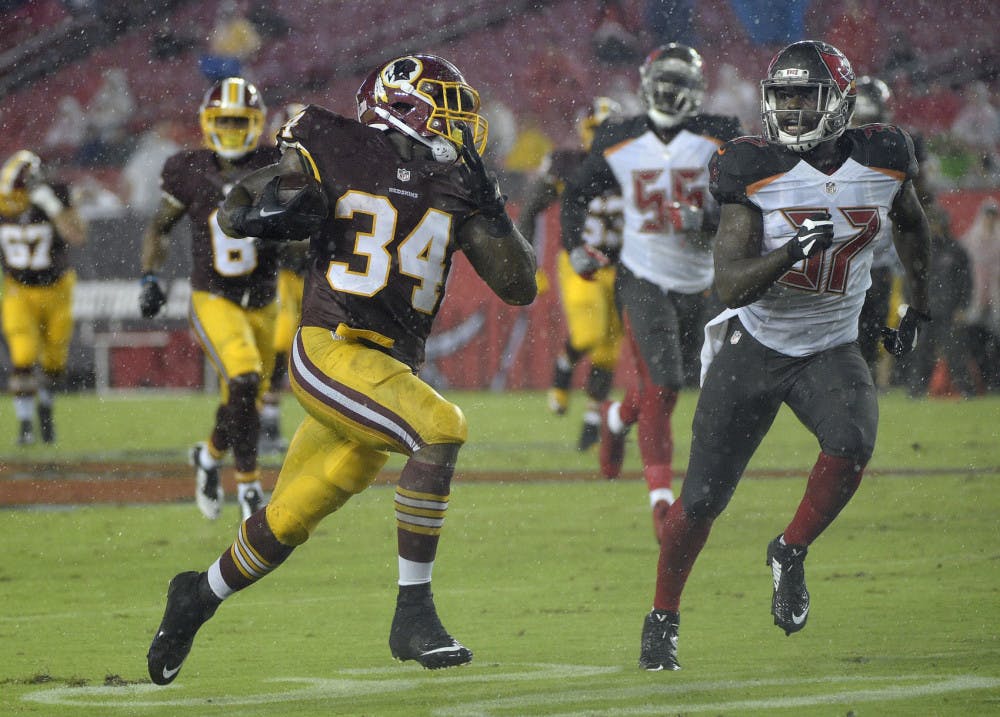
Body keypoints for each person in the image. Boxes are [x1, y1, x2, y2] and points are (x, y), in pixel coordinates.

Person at [146, 53, 536, 684]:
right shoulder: (332, 140)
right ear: (403, 108)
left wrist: (493, 206)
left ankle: (196, 596)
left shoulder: (457, 183)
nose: (463, 126)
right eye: (450, 109)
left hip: (384, 370)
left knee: (290, 518)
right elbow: (239, 200)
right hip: (330, 347)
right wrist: (272, 209)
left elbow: (519, 287)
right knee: (440, 428)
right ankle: (414, 614)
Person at [638, 40, 931, 671]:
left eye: (807, 98)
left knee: (853, 441)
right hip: (758, 343)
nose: (793, 112)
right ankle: (663, 615)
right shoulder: (750, 164)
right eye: (784, 99)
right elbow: (732, 284)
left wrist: (921, 307)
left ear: (841, 103)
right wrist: (791, 252)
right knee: (702, 501)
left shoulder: (885, 155)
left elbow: (912, 223)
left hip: (830, 345)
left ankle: (789, 551)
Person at [561, 44, 741, 540]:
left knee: (676, 386)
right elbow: (577, 191)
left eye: (679, 81)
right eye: (664, 79)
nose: (669, 89)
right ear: (644, 82)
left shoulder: (721, 134)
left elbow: (751, 199)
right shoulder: (618, 136)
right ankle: (662, 501)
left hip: (701, 281)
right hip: (641, 276)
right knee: (662, 386)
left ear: (697, 90)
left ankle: (619, 416)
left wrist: (706, 218)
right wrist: (574, 244)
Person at [138, 77, 278, 523]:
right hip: (214, 295)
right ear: (207, 123)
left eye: (241, 120)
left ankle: (209, 456)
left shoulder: (276, 164)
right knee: (245, 378)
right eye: (225, 121)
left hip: (264, 299)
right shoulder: (189, 170)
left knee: (245, 399)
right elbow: (159, 227)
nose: (234, 129)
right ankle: (251, 487)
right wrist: (150, 276)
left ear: (256, 123)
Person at [518, 97, 624, 451]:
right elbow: (530, 208)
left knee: (609, 349)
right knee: (590, 335)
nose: (604, 138)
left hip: (621, 265)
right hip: (580, 262)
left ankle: (593, 416)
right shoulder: (567, 163)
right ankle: (564, 367)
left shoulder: (635, 164)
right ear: (584, 131)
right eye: (598, 130)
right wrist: (529, 264)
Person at [0, 150, 87, 445]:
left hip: (57, 290)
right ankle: (25, 425)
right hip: (19, 291)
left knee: (53, 364)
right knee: (22, 357)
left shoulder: (56, 196)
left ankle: (45, 410)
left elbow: (77, 236)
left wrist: (53, 208)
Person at [259, 102, 307, 455]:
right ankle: (267, 421)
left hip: (319, 272)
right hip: (283, 273)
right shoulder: (269, 176)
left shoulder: (330, 172)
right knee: (279, 343)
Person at [850, 76, 903, 380]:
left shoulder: (893, 150)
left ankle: (862, 380)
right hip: (849, 261)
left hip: (877, 262)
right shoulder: (834, 153)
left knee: (869, 335)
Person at [903, 204, 975, 397]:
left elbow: (966, 282)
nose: (933, 227)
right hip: (924, 310)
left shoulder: (956, 250)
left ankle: (966, 390)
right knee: (922, 353)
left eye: (935, 222)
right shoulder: (920, 248)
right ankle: (916, 391)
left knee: (955, 353)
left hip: (949, 311)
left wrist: (962, 307)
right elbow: (910, 279)